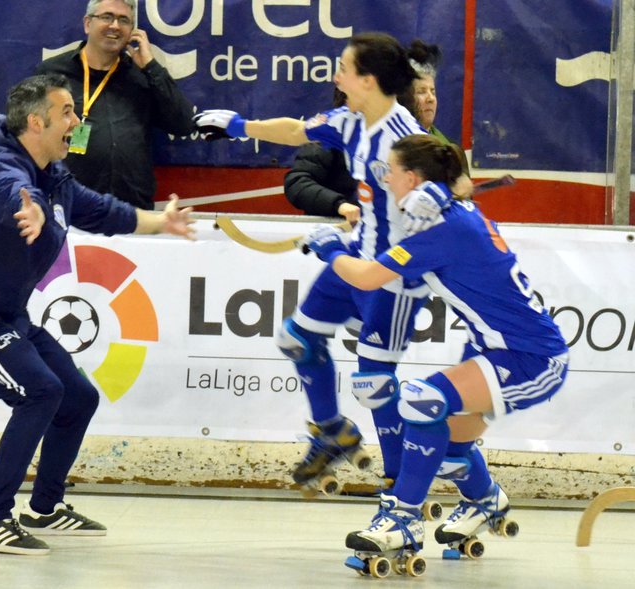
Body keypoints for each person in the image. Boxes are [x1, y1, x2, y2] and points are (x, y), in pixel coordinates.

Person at [0, 74, 194, 555]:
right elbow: (13, 195)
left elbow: (100, 210)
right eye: (68, 114)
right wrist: (35, 212)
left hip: (3, 317)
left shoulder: (54, 176)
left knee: (77, 396)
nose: (78, 123)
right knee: (40, 392)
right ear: (37, 122)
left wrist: (159, 222)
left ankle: (44, 508)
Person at [195, 33, 449, 491]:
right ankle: (332, 431)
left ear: (367, 81)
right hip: (355, 257)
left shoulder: (408, 140)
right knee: (296, 340)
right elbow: (296, 130)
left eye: (344, 68)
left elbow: (455, 190)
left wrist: (440, 200)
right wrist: (238, 125)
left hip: (394, 277)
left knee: (374, 381)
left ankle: (399, 492)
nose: (335, 76)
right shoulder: (352, 121)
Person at [304, 134, 568, 570]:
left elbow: (369, 277)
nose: (384, 177)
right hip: (500, 350)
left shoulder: (445, 229)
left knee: (422, 401)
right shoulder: (449, 217)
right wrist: (439, 200)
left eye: (391, 170)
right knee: (446, 453)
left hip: (530, 358)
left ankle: (403, 518)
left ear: (412, 177)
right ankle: (485, 501)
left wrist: (330, 249)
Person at [36, 0, 195, 210]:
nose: (115, 26)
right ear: (87, 24)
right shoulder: (52, 73)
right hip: (68, 209)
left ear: (132, 31)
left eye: (124, 20)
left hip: (131, 212)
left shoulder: (144, 76)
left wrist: (151, 66)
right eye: (107, 17)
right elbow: (29, 137)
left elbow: (184, 125)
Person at [399, 40, 472, 198]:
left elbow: (468, 203)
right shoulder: (392, 143)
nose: (430, 98)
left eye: (433, 91)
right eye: (422, 91)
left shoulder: (450, 148)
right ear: (405, 97)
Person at [283, 89, 359, 222]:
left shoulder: (399, 130)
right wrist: (339, 205)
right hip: (332, 228)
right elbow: (298, 183)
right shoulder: (329, 132)